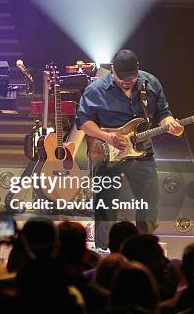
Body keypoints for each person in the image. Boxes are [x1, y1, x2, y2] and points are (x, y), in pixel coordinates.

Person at [76, 49, 184, 250]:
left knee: (150, 204)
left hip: (142, 152)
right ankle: (104, 251)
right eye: (122, 78)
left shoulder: (151, 83)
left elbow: (164, 113)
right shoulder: (96, 89)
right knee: (106, 207)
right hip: (107, 153)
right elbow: (83, 122)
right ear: (113, 70)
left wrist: (171, 124)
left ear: (138, 69)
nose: (127, 82)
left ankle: (144, 249)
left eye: (131, 78)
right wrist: (107, 136)